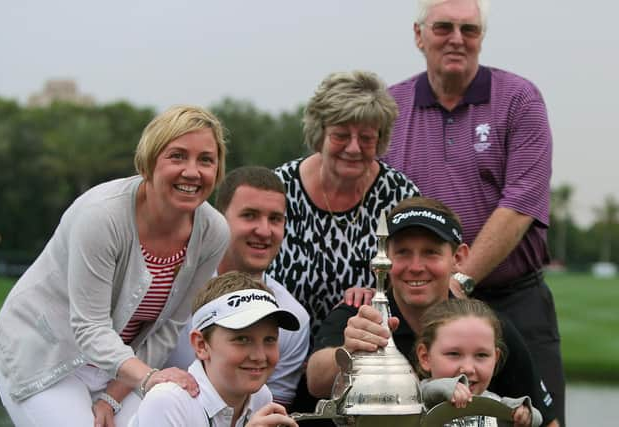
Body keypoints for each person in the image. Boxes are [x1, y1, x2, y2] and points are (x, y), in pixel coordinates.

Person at [382, 0, 564, 423]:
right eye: (443, 27)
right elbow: (376, 200)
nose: (457, 39)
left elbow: (521, 200)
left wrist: (461, 279)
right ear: (418, 35)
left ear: (481, 38)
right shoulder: (392, 107)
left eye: (469, 29)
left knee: (536, 419)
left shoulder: (519, 98)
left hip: (512, 294)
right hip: (422, 298)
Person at [0, 105, 230, 426]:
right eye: (177, 156)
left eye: (206, 160)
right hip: (46, 355)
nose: (192, 171)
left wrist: (114, 395)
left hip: (119, 366)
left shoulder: (213, 232)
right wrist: (147, 379)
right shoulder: (101, 215)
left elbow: (168, 327)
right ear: (149, 162)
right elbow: (90, 327)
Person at [306, 197, 558, 426]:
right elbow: (316, 381)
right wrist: (351, 349)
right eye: (403, 252)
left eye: (431, 253)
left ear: (458, 257)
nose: (416, 267)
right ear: (385, 257)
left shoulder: (483, 326)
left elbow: (545, 420)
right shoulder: (363, 313)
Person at [268, 70, 420, 336]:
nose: (353, 148)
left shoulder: (401, 196)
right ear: (320, 133)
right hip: (279, 352)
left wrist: (383, 294)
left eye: (366, 138)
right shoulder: (279, 189)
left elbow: (419, 276)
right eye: (341, 135)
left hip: (368, 356)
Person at [165, 166, 310, 408]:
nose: (264, 231)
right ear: (218, 219)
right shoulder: (172, 285)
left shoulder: (294, 318)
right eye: (250, 215)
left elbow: (269, 410)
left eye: (275, 219)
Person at [129, 271, 299, 427]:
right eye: (242, 339)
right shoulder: (168, 401)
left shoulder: (261, 396)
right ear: (201, 345)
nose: (259, 356)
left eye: (269, 340)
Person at [417, 298, 542, 427]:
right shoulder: (411, 401)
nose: (468, 368)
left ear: (495, 358)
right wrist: (443, 389)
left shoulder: (493, 405)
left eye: (481, 355)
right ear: (425, 357)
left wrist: (524, 414)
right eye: (453, 354)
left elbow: (537, 418)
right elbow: (427, 393)